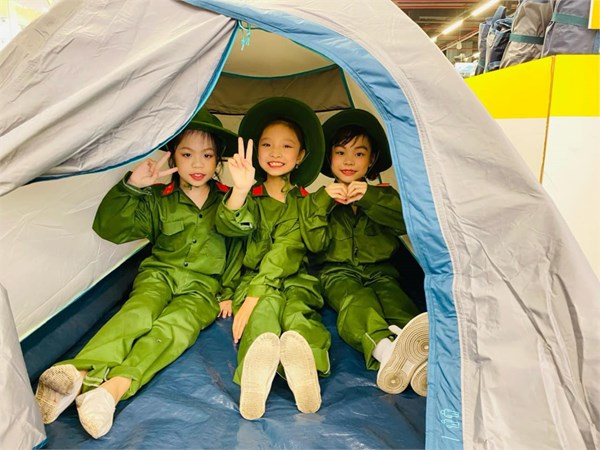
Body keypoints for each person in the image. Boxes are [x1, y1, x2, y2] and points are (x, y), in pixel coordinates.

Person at [34, 108, 242, 438]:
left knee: (175, 327)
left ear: (218, 160)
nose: (197, 164)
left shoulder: (230, 200)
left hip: (202, 289)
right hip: (159, 275)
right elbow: (110, 228)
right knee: (138, 312)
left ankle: (111, 390)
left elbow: (239, 247)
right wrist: (132, 186)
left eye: (207, 155)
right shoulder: (158, 198)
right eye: (187, 154)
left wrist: (229, 291)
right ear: (173, 155)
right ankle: (77, 372)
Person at [299, 108, 429, 396]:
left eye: (359, 154)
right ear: (329, 158)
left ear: (371, 160)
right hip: (337, 274)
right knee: (357, 302)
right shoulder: (316, 200)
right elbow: (314, 244)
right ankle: (385, 351)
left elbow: (403, 223)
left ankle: (420, 357)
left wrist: (368, 198)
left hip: (382, 272)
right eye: (340, 152)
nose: (348, 161)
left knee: (398, 304)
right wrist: (324, 202)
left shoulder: (383, 194)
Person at [216, 97, 330, 420]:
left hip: (295, 279)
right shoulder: (248, 196)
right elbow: (227, 228)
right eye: (267, 145)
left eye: (286, 146)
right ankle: (255, 378)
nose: (276, 153)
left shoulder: (305, 202)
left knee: (298, 315)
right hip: (253, 279)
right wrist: (240, 189)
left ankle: (306, 371)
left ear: (301, 156)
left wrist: (252, 296)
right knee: (263, 314)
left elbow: (287, 249)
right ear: (256, 152)